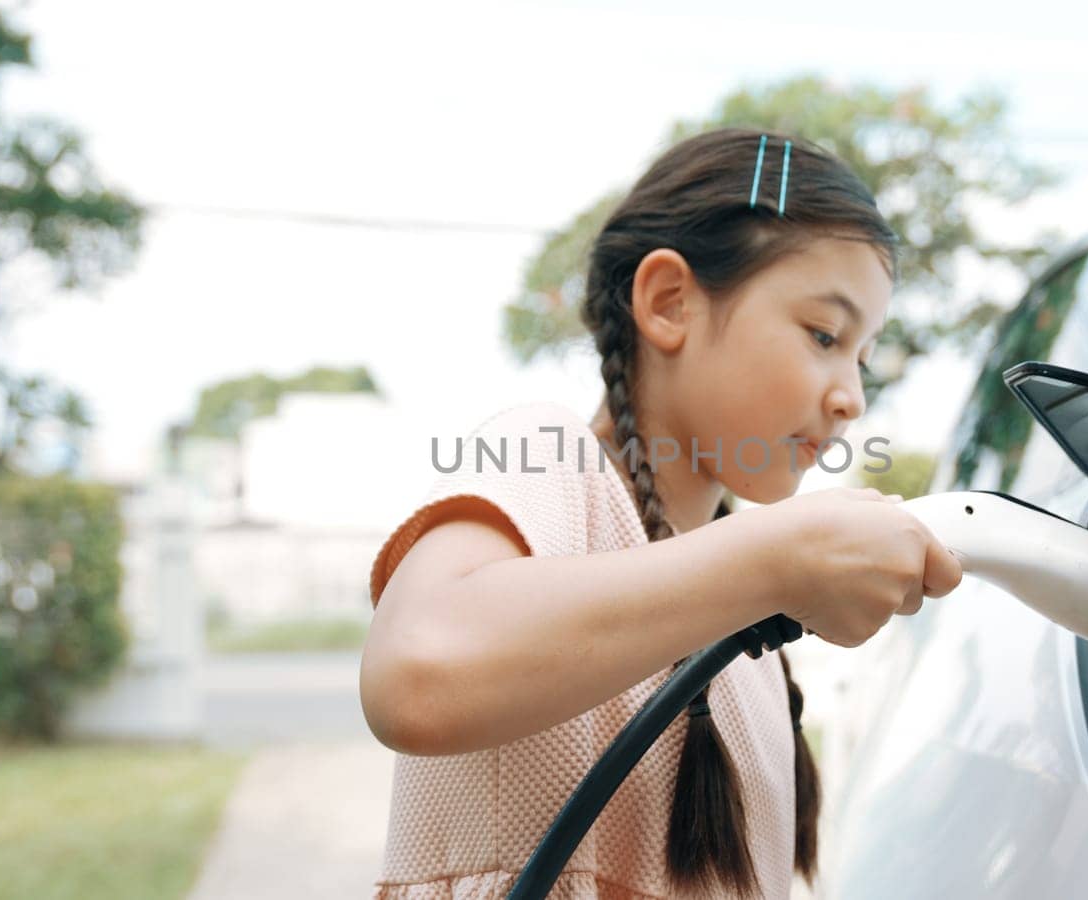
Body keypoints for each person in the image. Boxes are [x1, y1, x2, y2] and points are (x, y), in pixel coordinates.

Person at [360, 128, 964, 900]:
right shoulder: (553, 457)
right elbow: (417, 675)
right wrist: (777, 557)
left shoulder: (743, 612)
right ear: (669, 303)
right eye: (823, 335)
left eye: (863, 356)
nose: (851, 396)